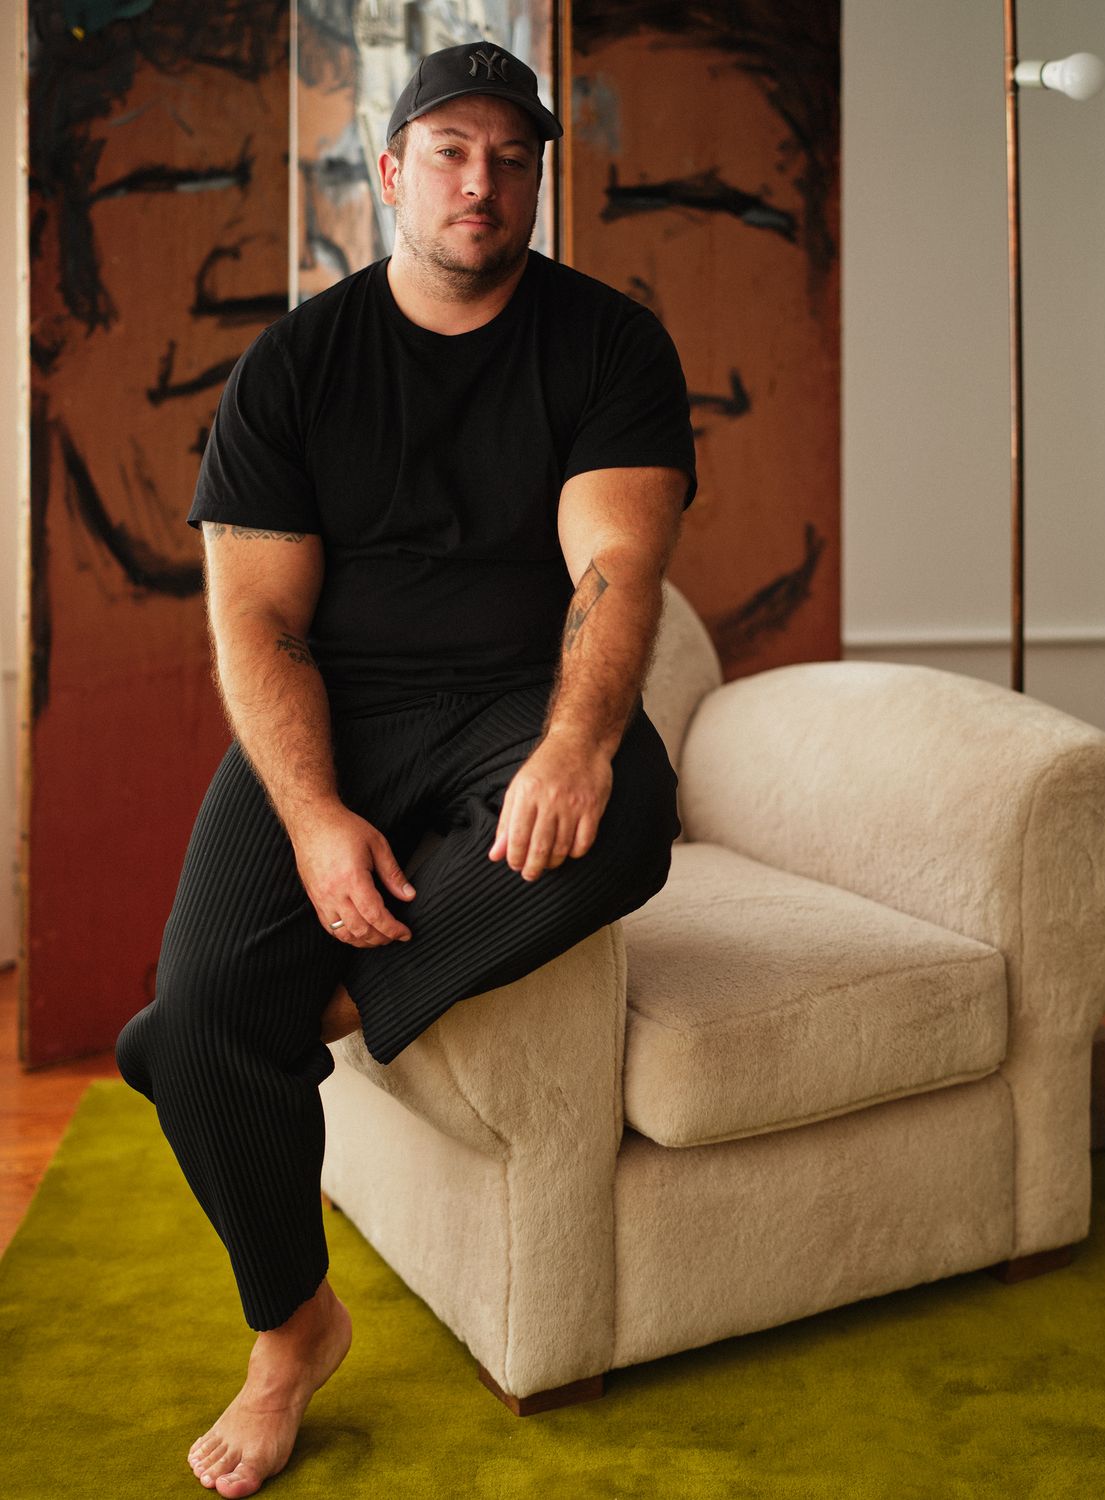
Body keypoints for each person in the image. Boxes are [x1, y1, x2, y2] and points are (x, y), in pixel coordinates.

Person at [114, 38, 696, 1500]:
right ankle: (292, 1331)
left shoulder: (609, 344)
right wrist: (311, 819)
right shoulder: (297, 365)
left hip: (513, 704)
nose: (480, 183)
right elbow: (257, 619)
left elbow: (616, 563)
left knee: (624, 814)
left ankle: (266, 1022)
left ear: (541, 177)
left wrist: (573, 741)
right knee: (198, 1013)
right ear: (389, 172)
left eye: (511, 156)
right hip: (341, 714)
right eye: (449, 152)